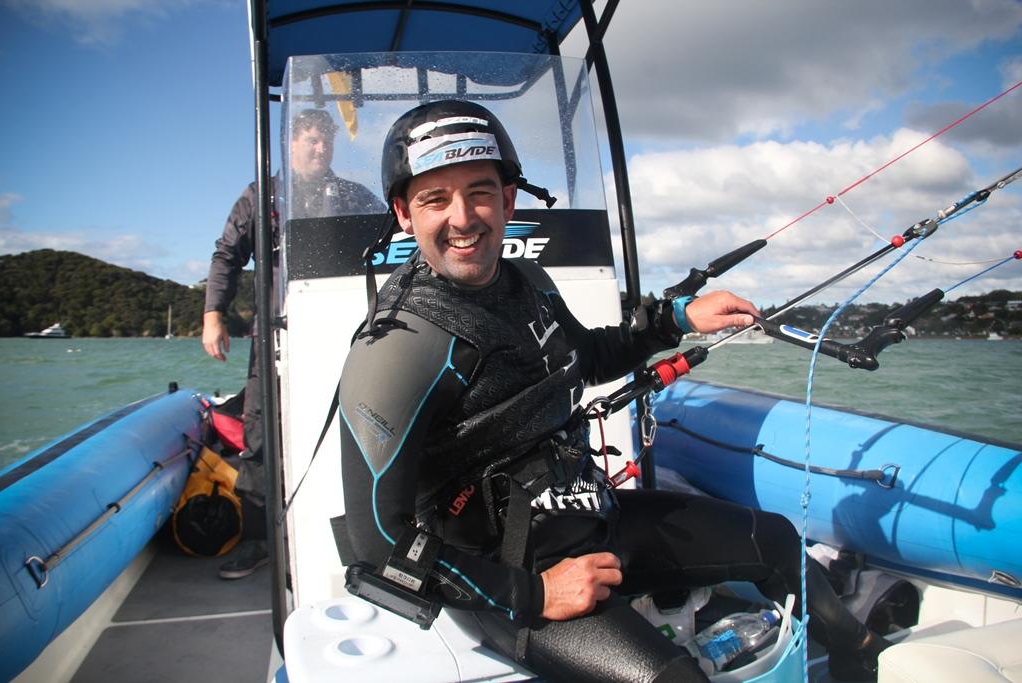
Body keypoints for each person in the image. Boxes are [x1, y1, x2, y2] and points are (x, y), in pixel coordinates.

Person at [338, 100, 890, 682]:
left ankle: (863, 652)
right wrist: (533, 592)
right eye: (434, 199)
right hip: (511, 580)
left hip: (593, 519)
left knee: (776, 539)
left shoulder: (525, 281)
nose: (463, 217)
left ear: (508, 199)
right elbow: (377, 544)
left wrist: (676, 319)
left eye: (479, 192)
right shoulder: (395, 346)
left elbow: (586, 358)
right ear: (403, 212)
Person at [204, 107, 385, 580]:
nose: (318, 147)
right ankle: (258, 541)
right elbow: (226, 255)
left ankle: (356, 529)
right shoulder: (262, 195)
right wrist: (212, 315)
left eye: (325, 140)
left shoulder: (351, 194)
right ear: (291, 143)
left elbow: (389, 242)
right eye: (308, 139)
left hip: (339, 332)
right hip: (276, 335)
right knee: (260, 434)